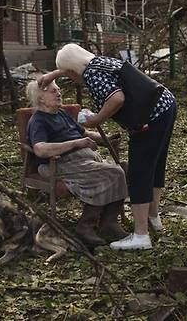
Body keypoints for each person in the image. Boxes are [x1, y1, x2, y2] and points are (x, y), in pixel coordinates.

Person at [38, 43, 177, 250]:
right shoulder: (100, 62)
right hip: (165, 105)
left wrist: (97, 119)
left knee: (139, 173)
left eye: (68, 75)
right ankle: (153, 218)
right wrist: (54, 74)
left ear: (73, 70)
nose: (72, 81)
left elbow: (117, 98)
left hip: (148, 117)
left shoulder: (92, 76)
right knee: (155, 167)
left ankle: (141, 236)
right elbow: (74, 67)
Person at [25, 79, 129, 246]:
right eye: (53, 91)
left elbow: (83, 132)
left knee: (125, 168)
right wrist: (76, 144)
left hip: (84, 160)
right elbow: (40, 149)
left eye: (58, 90)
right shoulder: (39, 120)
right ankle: (85, 226)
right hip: (59, 163)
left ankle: (109, 222)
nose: (59, 93)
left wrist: (106, 139)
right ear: (41, 98)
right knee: (113, 173)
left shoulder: (61, 113)